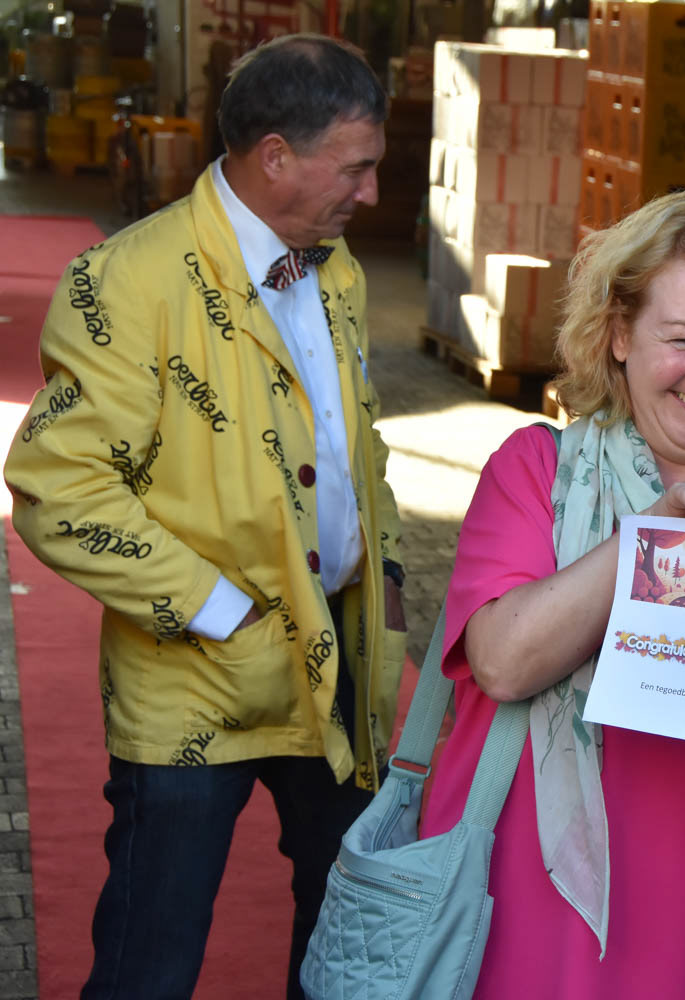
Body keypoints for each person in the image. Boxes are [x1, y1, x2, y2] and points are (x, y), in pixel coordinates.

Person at [2, 35, 406, 999]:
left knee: (343, 947)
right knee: (151, 959)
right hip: (194, 680)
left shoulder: (336, 268)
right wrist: (221, 612)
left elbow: (358, 445)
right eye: (356, 167)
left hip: (335, 664)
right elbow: (59, 489)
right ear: (276, 156)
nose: (372, 194)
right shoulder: (128, 281)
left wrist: (385, 580)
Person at [416, 187, 685, 997]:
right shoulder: (536, 473)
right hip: (522, 923)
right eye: (682, 339)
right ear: (620, 336)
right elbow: (505, 663)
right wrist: (651, 536)